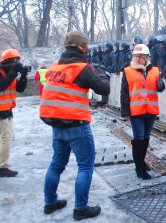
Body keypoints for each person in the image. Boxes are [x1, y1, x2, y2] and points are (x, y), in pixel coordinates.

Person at [40, 30, 110, 220]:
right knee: (85, 166)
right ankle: (80, 209)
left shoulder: (55, 67)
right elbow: (104, 89)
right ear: (84, 47)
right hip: (77, 124)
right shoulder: (82, 68)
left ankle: (50, 202)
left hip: (56, 124)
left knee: (56, 164)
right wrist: (102, 73)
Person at [120, 44, 165, 180]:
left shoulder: (155, 70)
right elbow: (124, 93)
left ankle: (142, 162)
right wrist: (125, 112)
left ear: (147, 57)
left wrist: (161, 83)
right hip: (136, 111)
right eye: (135, 56)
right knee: (138, 138)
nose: (137, 58)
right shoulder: (127, 71)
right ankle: (139, 168)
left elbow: (160, 88)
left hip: (150, 110)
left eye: (140, 56)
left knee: (146, 138)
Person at [0, 49, 28, 177]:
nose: (17, 64)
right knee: (6, 137)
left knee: (7, 137)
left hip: (6, 110)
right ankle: (2, 168)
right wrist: (14, 72)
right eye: (15, 62)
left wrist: (23, 75)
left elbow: (20, 89)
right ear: (7, 62)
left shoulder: (9, 72)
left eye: (18, 61)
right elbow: (1, 85)